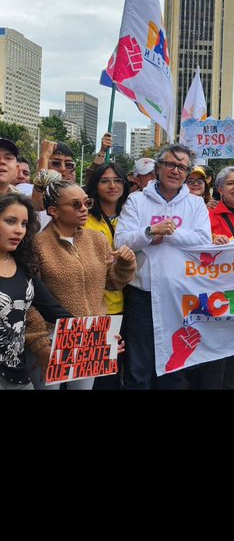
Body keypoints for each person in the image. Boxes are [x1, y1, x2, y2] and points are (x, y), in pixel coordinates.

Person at [114, 143, 212, 390]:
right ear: (158, 168)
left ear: (187, 174)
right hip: (142, 297)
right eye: (170, 164)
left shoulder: (196, 204)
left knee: (174, 367)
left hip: (180, 297)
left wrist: (169, 233)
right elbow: (121, 240)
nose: (175, 170)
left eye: (182, 167)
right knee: (139, 369)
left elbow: (203, 241)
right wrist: (150, 231)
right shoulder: (137, 200)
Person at [25, 176, 136, 391]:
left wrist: (125, 264)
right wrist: (39, 343)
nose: (84, 208)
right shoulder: (37, 245)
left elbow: (112, 283)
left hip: (89, 333)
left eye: (87, 202)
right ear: (53, 211)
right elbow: (29, 299)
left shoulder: (97, 240)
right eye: (75, 204)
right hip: (50, 334)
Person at [186, 167, 234, 391]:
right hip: (216, 292)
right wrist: (211, 239)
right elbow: (195, 246)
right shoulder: (208, 215)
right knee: (214, 357)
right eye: (230, 183)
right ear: (220, 189)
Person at [0, 192, 71, 390]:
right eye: (10, 221)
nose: (18, 230)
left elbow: (55, 310)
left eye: (23, 224)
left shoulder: (23, 265)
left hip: (17, 375)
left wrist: (100, 338)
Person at [84, 161, 131, 389]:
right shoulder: (85, 220)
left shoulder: (132, 216)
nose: (112, 186)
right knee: (99, 375)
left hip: (131, 304)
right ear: (95, 186)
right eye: (105, 181)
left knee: (121, 369)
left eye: (117, 180)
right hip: (99, 307)